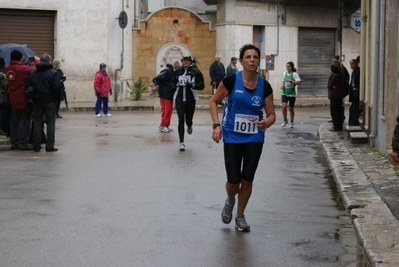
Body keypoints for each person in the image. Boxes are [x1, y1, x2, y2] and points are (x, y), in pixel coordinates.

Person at [209, 44, 276, 232]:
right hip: (231, 136)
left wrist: (267, 123)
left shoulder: (265, 86)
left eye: (255, 57)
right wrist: (216, 125)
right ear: (241, 61)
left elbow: (271, 114)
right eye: (248, 57)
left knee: (247, 180)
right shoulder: (230, 81)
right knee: (233, 181)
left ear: (258, 61)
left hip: (254, 137)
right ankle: (230, 201)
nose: (252, 60)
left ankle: (240, 215)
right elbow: (213, 102)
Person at [26, 53, 62, 152]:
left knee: (37, 123)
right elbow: (57, 87)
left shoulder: (33, 73)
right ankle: (49, 146)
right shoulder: (53, 73)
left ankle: (36, 146)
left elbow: (29, 86)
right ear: (49, 61)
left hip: (37, 101)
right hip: (50, 101)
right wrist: (56, 99)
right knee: (50, 124)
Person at [5, 50, 36, 150]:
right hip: (22, 98)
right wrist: (37, 61)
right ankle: (23, 142)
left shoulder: (8, 69)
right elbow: (34, 69)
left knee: (14, 121)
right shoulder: (22, 68)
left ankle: (14, 142)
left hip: (12, 98)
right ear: (19, 58)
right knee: (26, 121)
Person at [174, 54, 205, 151]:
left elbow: (201, 85)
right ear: (182, 61)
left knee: (188, 119)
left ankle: (190, 124)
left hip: (190, 99)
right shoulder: (178, 71)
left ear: (190, 61)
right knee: (180, 119)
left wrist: (192, 85)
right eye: (184, 60)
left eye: (187, 60)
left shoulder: (195, 71)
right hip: (179, 98)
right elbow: (172, 82)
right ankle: (181, 143)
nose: (185, 62)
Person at [152, 63, 175, 133]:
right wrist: (157, 85)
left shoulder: (172, 72)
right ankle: (162, 125)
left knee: (170, 110)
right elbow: (156, 78)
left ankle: (166, 125)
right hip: (165, 93)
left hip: (170, 93)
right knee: (166, 110)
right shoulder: (167, 71)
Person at [280, 61, 301, 128]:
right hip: (284, 93)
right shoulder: (284, 74)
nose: (287, 68)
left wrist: (292, 82)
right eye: (286, 66)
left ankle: (291, 122)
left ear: (291, 67)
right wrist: (282, 85)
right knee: (283, 106)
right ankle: (285, 120)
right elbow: (283, 82)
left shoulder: (294, 74)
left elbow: (298, 82)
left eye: (289, 66)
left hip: (291, 94)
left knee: (291, 109)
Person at [328, 64, 344, 131]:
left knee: (335, 112)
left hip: (334, 96)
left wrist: (332, 86)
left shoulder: (335, 76)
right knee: (338, 111)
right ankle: (338, 126)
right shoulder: (340, 75)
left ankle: (336, 126)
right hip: (338, 96)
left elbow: (329, 85)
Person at [348, 59, 361, 126]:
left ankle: (353, 123)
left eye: (352, 64)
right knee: (352, 109)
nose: (351, 66)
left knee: (355, 110)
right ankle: (351, 123)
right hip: (353, 94)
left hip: (356, 94)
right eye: (350, 64)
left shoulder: (358, 72)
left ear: (356, 64)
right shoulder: (353, 72)